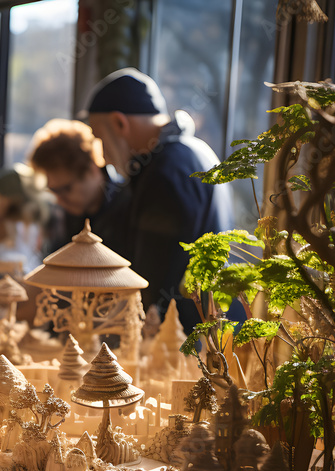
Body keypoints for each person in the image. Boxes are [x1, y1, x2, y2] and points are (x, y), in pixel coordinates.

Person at [82, 68, 234, 330]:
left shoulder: (166, 171)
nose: (103, 158)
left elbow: (155, 278)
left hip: (186, 342)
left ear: (120, 123)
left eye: (99, 138)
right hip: (212, 333)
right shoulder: (193, 152)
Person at [27, 118, 130, 254]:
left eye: (66, 189)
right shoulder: (69, 215)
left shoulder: (129, 206)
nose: (59, 200)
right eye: (53, 191)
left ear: (92, 169)